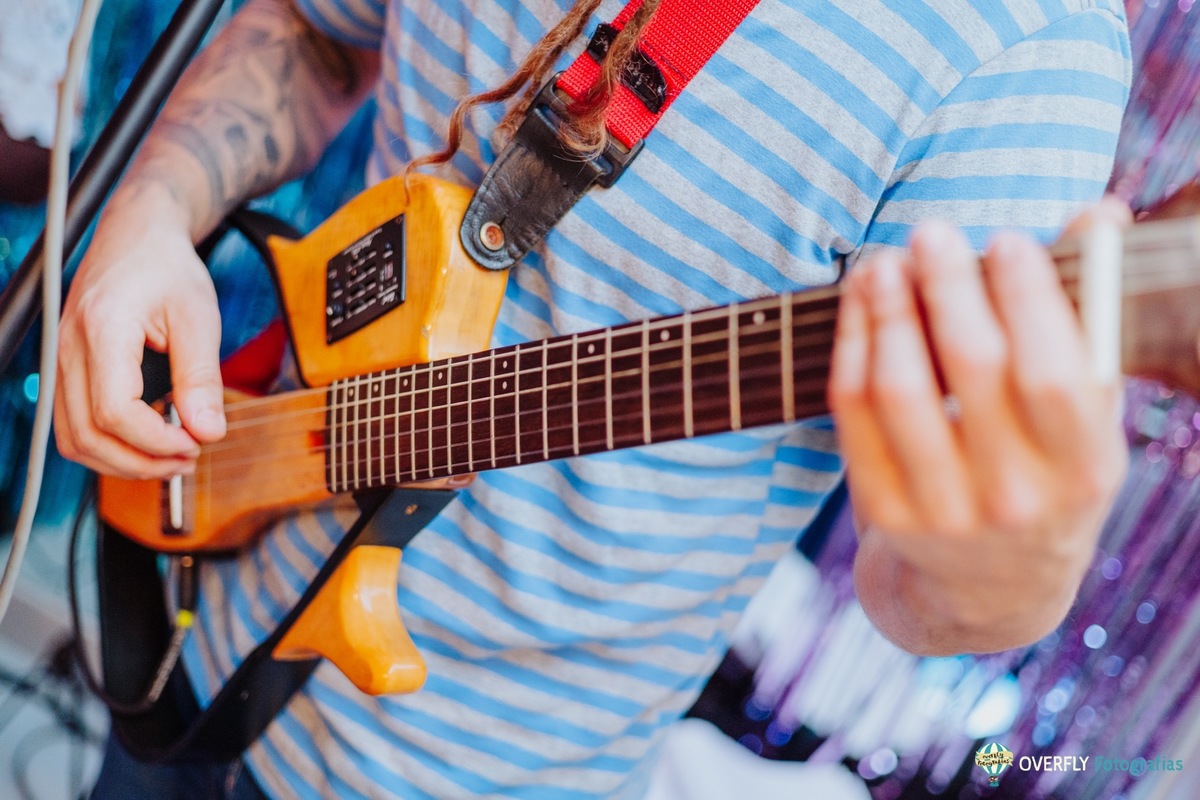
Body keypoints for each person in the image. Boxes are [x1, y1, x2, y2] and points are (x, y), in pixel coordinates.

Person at [56, 0, 1134, 797]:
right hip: (199, 626)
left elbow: (916, 583)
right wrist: (148, 209)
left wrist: (1013, 573)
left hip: (490, 770)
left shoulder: (1030, 48)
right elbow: (321, 27)